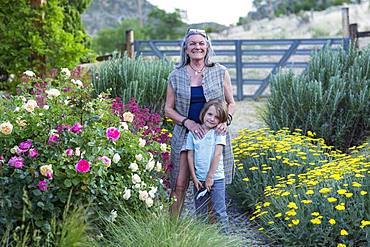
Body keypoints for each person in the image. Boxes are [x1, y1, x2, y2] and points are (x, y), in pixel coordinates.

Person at [164, 28, 235, 217]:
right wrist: (187, 122)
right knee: (179, 184)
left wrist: (225, 121)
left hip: (212, 136)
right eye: (193, 43)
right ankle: (172, 228)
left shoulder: (220, 71)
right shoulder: (175, 75)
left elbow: (231, 103)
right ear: (186, 49)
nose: (197, 47)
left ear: (207, 47)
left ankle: (209, 233)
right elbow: (168, 110)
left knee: (209, 182)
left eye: (201, 43)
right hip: (185, 134)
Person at [186, 100, 229, 232]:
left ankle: (224, 239)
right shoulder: (193, 133)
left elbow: (217, 155)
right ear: (204, 113)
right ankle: (204, 239)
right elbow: (190, 155)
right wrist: (194, 177)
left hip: (216, 179)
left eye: (216, 117)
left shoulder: (219, 133)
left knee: (219, 211)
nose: (212, 119)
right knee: (200, 212)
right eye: (210, 114)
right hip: (199, 180)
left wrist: (210, 177)